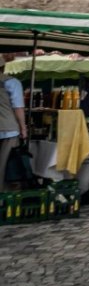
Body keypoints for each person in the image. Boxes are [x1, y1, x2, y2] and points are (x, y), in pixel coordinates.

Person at [0, 56, 28, 191]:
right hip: (8, 129)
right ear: (3, 67)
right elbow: (18, 108)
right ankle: (4, 199)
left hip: (7, 129)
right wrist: (23, 128)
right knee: (5, 166)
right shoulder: (12, 82)